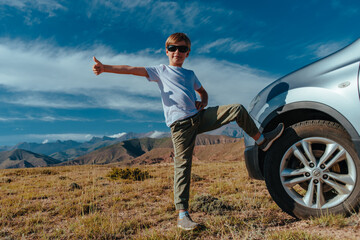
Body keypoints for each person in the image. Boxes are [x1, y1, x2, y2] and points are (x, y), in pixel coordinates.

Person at [92, 32, 284, 231]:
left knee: (237, 109)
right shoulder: (160, 71)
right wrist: (105, 68)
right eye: (173, 49)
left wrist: (204, 101)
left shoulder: (190, 74)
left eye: (182, 49)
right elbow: (131, 69)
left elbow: (203, 91)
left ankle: (262, 141)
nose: (178, 52)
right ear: (167, 51)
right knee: (183, 167)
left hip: (198, 118)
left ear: (188, 53)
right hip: (180, 127)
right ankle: (182, 215)